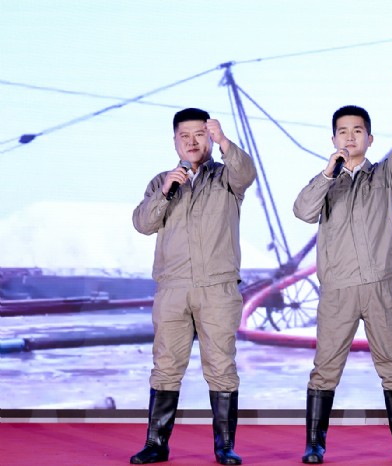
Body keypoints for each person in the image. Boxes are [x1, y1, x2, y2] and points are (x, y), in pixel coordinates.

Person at [293, 72, 392, 464]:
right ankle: (314, 444)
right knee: (325, 368)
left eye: (357, 131)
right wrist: (327, 174)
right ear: (333, 139)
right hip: (338, 289)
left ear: (370, 138)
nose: (350, 137)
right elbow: (302, 211)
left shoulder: (385, 175)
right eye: (342, 132)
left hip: (380, 286)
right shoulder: (326, 182)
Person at [131, 108, 257, 465]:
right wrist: (166, 191)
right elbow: (143, 223)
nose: (191, 141)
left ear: (210, 137)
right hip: (172, 287)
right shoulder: (162, 181)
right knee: (166, 365)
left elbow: (247, 173)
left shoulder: (226, 177)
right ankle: (156, 444)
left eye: (200, 134)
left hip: (217, 287)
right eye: (184, 136)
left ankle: (225, 446)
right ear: (175, 140)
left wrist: (225, 142)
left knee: (221, 366)